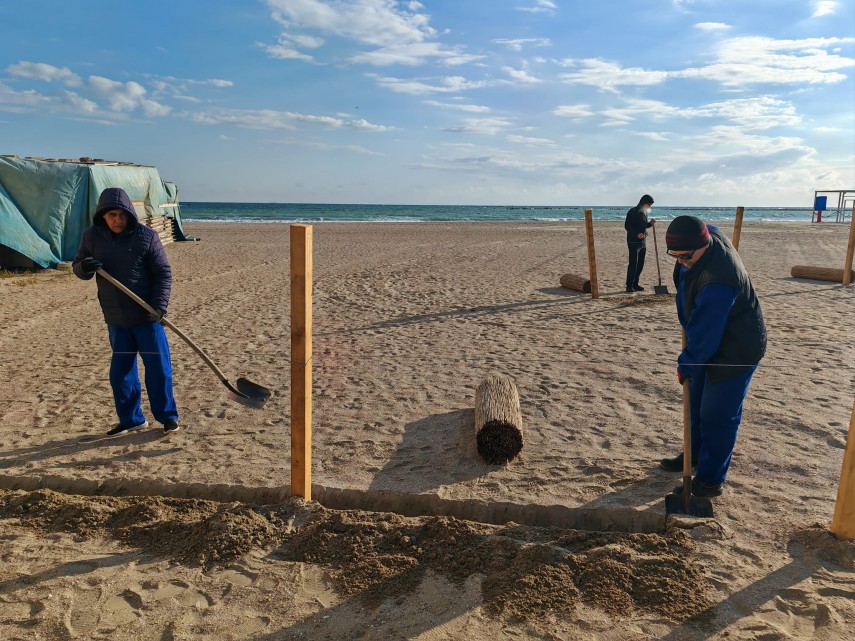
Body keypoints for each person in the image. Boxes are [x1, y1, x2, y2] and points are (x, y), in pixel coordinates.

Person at [659, 215, 766, 497]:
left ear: (704, 244)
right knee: (695, 404)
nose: (680, 261)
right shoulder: (707, 236)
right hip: (707, 336)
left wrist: (687, 363)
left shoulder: (720, 281)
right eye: (675, 256)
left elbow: (707, 336)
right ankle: (692, 457)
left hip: (736, 349)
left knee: (717, 415)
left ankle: (709, 479)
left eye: (686, 257)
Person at [72, 187, 180, 436]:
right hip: (116, 319)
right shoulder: (92, 237)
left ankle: (168, 417)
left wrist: (160, 305)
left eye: (121, 215)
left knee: (158, 369)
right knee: (120, 373)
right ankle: (131, 420)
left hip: (147, 316)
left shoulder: (146, 236)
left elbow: (163, 273)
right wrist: (85, 267)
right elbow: (78, 266)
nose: (117, 220)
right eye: (112, 215)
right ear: (102, 216)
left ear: (129, 214)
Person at [623, 194, 656, 292]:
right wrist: (637, 234)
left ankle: (635, 284)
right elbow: (627, 226)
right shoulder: (633, 211)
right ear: (644, 203)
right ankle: (629, 285)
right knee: (633, 264)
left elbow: (643, 226)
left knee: (640, 264)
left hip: (642, 242)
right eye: (649, 204)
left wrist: (650, 224)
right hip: (633, 241)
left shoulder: (644, 212)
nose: (650, 206)